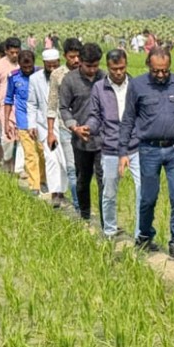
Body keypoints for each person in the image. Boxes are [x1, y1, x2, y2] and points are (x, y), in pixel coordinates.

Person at [119, 46, 174, 261]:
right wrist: (123, 151)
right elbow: (128, 119)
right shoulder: (137, 85)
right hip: (148, 149)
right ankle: (145, 236)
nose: (161, 75)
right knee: (148, 198)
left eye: (165, 71)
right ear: (148, 65)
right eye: (156, 71)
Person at [86, 49, 140, 239]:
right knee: (108, 193)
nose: (118, 72)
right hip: (110, 148)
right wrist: (89, 128)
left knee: (142, 191)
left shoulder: (135, 85)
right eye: (114, 69)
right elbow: (95, 116)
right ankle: (109, 231)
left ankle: (140, 234)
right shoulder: (99, 88)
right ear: (107, 67)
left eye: (122, 68)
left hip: (134, 146)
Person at [59, 42, 105, 222]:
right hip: (80, 140)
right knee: (83, 180)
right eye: (89, 66)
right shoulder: (69, 80)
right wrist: (74, 127)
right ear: (80, 62)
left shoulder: (105, 78)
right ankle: (85, 216)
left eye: (96, 66)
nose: (93, 70)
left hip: (103, 140)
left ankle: (105, 222)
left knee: (104, 182)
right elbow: (63, 108)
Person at [27, 49, 67, 208]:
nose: (52, 68)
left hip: (64, 125)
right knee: (51, 160)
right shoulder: (34, 79)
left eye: (55, 65)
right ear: (43, 64)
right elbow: (31, 103)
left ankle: (63, 191)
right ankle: (55, 193)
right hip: (45, 126)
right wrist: (31, 124)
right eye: (49, 65)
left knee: (64, 161)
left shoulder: (66, 75)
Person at [47, 38, 83, 210]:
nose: (76, 60)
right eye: (72, 57)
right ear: (65, 56)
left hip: (87, 127)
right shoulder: (57, 75)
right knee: (72, 168)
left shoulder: (87, 72)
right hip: (65, 128)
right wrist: (50, 132)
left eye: (78, 57)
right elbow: (52, 104)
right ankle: (79, 207)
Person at [4, 50, 45, 195]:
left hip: (41, 120)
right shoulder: (13, 77)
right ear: (19, 65)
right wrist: (6, 122)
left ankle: (43, 180)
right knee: (29, 153)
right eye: (24, 67)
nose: (27, 70)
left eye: (30, 67)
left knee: (42, 151)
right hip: (23, 120)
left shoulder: (41, 74)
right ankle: (34, 185)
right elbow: (8, 99)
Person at [0, 37, 23, 172]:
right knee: (7, 136)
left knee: (21, 136)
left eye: (17, 52)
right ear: (6, 51)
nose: (14, 55)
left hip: (20, 105)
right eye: (12, 52)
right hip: (5, 106)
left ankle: (20, 170)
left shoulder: (23, 63)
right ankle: (7, 160)